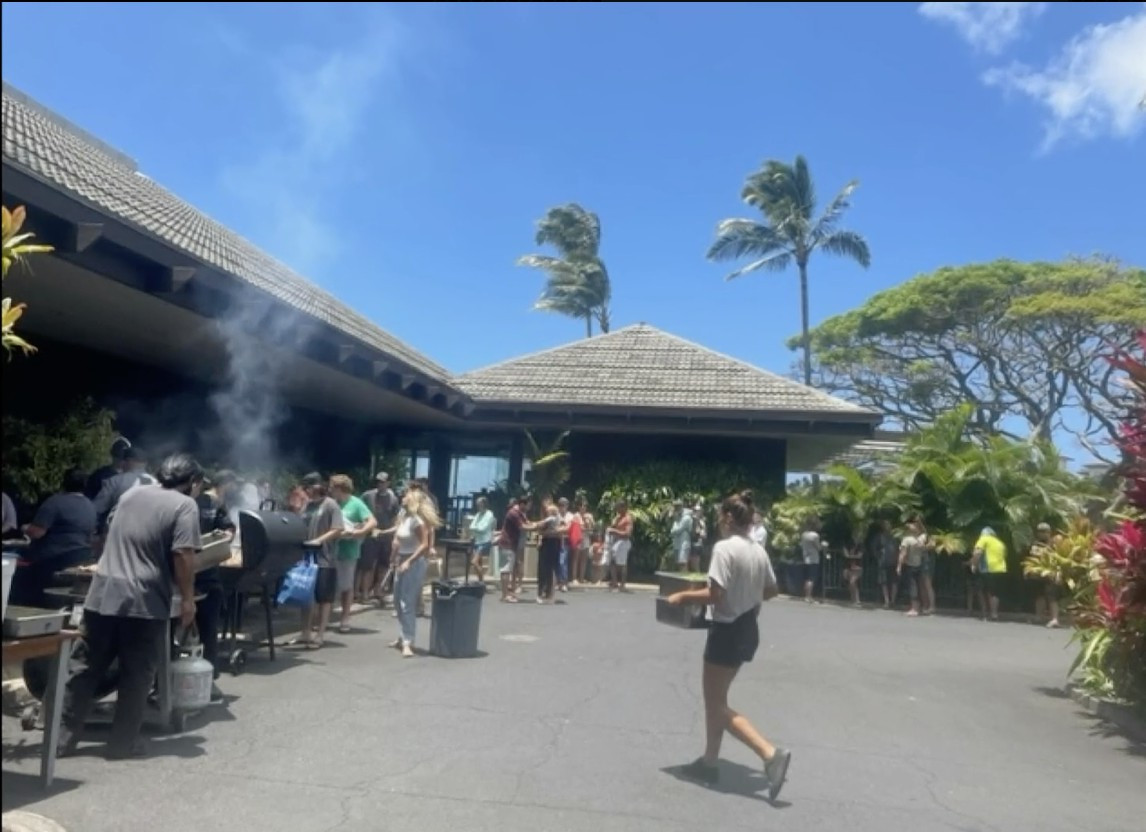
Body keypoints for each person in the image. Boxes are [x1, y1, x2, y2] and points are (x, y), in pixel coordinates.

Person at [60, 453, 202, 760]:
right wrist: (188, 599)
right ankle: (122, 744)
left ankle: (60, 740)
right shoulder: (185, 505)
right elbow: (183, 555)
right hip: (144, 600)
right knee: (137, 673)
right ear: (191, 482)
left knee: (84, 668)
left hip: (102, 593)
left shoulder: (132, 493)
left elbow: (112, 535)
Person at [665, 490, 790, 800]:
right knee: (716, 699)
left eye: (721, 516)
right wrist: (748, 598)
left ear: (728, 518)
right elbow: (772, 590)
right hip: (749, 628)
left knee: (717, 705)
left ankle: (770, 754)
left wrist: (681, 597)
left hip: (726, 629)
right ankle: (709, 761)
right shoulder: (758, 550)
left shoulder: (724, 548)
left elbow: (714, 595)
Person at [14, 468, 96, 608]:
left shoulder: (55, 502)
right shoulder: (90, 506)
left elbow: (37, 532)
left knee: (18, 574)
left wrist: (24, 528)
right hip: (82, 556)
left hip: (53, 558)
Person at [194, 473, 234, 703]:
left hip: (206, 574)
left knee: (207, 630)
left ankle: (206, 681)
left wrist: (223, 537)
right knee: (208, 630)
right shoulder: (186, 502)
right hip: (193, 575)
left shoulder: (216, 504)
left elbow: (228, 528)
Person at [390, 488, 441, 657]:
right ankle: (402, 635)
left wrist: (409, 561)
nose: (402, 497)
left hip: (414, 561)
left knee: (407, 602)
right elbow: (397, 540)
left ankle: (408, 641)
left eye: (405, 496)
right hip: (401, 560)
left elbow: (424, 545)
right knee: (397, 601)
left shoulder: (417, 521)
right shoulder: (404, 517)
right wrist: (394, 557)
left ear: (412, 500)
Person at [298, 472, 345, 649]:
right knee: (306, 596)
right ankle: (305, 632)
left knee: (324, 598)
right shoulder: (307, 505)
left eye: (308, 487)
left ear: (317, 487)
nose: (306, 491)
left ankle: (320, 634)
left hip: (325, 557)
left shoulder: (330, 505)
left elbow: (338, 528)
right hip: (306, 557)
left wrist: (319, 540)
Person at [329, 474, 376, 634]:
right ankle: (325, 616)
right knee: (330, 584)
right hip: (331, 549)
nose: (330, 490)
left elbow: (372, 521)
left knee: (346, 586)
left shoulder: (356, 503)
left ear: (340, 489)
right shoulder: (333, 504)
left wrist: (360, 532)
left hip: (348, 549)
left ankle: (345, 617)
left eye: (332, 488)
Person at [91, 446, 154, 535]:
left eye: (124, 460)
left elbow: (97, 508)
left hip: (119, 533)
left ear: (129, 461)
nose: (122, 464)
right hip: (148, 533)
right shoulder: (157, 483)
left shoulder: (115, 481)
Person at [359, 472, 399, 602]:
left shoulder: (393, 498)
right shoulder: (367, 495)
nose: (380, 484)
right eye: (378, 482)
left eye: (383, 482)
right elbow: (360, 511)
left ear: (388, 483)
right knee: (368, 565)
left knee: (384, 564)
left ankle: (378, 590)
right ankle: (365, 592)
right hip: (371, 535)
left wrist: (393, 534)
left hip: (386, 535)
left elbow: (395, 517)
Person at [497, 495, 530, 603]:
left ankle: (506, 593)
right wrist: (539, 527)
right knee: (506, 570)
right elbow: (523, 527)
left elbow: (527, 523)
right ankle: (504, 595)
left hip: (511, 544)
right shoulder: (514, 513)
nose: (529, 507)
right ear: (522, 504)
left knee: (508, 569)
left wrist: (538, 524)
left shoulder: (520, 513)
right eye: (528, 505)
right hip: (507, 544)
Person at [1029, 522, 1062, 628]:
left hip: (1051, 574)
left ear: (1049, 532)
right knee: (1039, 595)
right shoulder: (1036, 544)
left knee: (1052, 597)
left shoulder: (1055, 544)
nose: (1042, 534)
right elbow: (1033, 556)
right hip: (1038, 574)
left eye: (1044, 532)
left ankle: (1054, 619)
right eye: (1040, 531)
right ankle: (1039, 616)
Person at [972, 526, 1008, 622]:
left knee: (981, 591)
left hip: (987, 569)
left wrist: (974, 565)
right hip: (1000, 569)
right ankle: (994, 614)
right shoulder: (1000, 543)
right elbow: (1005, 555)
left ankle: (984, 613)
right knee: (994, 593)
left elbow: (977, 553)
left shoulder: (983, 539)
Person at [536, 502, 567, 604]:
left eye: (549, 510)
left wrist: (555, 531)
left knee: (552, 569)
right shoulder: (546, 518)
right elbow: (540, 529)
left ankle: (550, 594)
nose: (547, 511)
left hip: (554, 543)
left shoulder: (556, 517)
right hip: (545, 543)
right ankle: (542, 593)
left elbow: (565, 528)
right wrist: (541, 536)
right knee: (543, 569)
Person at [898, 519, 928, 617]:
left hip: (911, 565)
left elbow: (903, 553)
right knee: (919, 586)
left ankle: (915, 608)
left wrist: (899, 566)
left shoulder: (907, 539)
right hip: (919, 564)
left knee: (913, 587)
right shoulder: (922, 537)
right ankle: (921, 607)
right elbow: (924, 534)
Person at [84, 436, 131, 500]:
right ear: (112, 454)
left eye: (123, 456)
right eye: (117, 454)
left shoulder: (130, 478)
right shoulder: (98, 475)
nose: (120, 459)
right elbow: (88, 497)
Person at [606, 499, 634, 592]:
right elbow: (613, 527)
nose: (617, 510)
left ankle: (623, 585)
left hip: (624, 542)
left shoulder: (628, 518)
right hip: (616, 543)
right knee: (613, 562)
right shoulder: (618, 517)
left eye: (619, 507)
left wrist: (614, 531)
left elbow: (627, 533)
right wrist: (613, 526)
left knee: (622, 564)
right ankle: (615, 583)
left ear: (624, 507)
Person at [468, 496, 495, 582]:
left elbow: (483, 529)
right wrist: (476, 528)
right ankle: (480, 582)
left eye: (479, 504)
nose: (478, 506)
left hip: (485, 541)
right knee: (479, 563)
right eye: (477, 505)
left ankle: (482, 581)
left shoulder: (489, 514)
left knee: (474, 562)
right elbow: (471, 526)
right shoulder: (478, 514)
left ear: (484, 504)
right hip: (477, 541)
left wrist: (475, 528)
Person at [873, 520, 899, 609]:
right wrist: (879, 556)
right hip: (883, 562)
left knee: (894, 582)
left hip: (894, 562)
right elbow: (874, 549)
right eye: (886, 525)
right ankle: (887, 601)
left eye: (889, 525)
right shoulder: (879, 537)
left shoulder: (895, 537)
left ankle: (893, 601)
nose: (888, 527)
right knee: (884, 582)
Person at [800, 520, 822, 604]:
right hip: (813, 558)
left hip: (805, 558)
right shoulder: (815, 535)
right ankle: (808, 596)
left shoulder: (804, 534)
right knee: (811, 579)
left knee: (807, 578)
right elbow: (818, 547)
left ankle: (806, 595)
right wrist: (823, 546)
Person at [575, 499, 595, 584]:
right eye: (582, 505)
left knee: (584, 559)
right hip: (578, 538)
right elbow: (577, 527)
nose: (583, 507)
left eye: (585, 506)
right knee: (576, 559)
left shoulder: (589, 515)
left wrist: (589, 520)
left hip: (586, 538)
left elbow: (593, 526)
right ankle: (574, 578)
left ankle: (581, 578)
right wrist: (585, 527)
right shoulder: (576, 515)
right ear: (579, 506)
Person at [670, 500, 695, 572]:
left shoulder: (686, 517)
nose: (676, 508)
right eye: (675, 506)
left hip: (684, 542)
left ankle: (685, 580)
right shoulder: (677, 516)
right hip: (677, 542)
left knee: (683, 563)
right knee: (678, 563)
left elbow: (678, 530)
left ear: (681, 506)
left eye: (677, 506)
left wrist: (673, 530)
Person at [689, 503, 707, 573]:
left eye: (698, 511)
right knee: (693, 560)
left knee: (696, 560)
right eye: (695, 510)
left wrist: (701, 534)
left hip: (698, 542)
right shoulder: (692, 519)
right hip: (693, 541)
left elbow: (702, 532)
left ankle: (697, 573)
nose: (697, 512)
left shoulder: (701, 521)